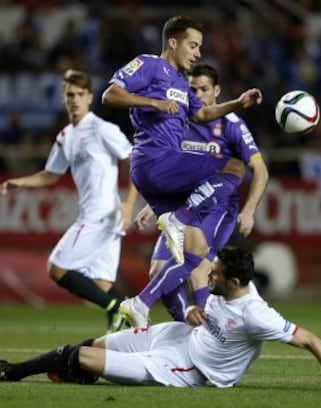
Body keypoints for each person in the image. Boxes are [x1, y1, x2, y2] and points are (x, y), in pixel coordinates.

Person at [0, 246, 321, 392]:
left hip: (186, 367)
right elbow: (193, 266)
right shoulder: (221, 290)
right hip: (179, 335)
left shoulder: (257, 315)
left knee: (80, 357)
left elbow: (310, 340)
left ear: (234, 282)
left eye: (215, 274)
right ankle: (27, 371)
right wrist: (186, 309)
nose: (208, 277)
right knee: (92, 345)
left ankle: (20, 372)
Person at [102, 16, 262, 325]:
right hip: (155, 160)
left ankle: (171, 317)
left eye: (200, 47)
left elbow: (202, 113)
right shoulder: (149, 65)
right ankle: (181, 217)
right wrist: (153, 103)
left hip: (162, 176)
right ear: (173, 43)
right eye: (193, 45)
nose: (198, 53)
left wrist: (238, 103)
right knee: (233, 165)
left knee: (195, 252)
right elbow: (110, 94)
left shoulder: (179, 81)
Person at [0, 69, 136, 333]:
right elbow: (51, 175)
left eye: (80, 94)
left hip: (101, 215)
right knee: (101, 284)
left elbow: (136, 162)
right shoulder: (66, 136)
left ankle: (112, 309)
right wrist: (20, 182)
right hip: (101, 218)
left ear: (90, 98)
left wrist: (129, 204)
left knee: (57, 267)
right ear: (63, 97)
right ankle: (136, 326)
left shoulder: (102, 129)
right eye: (70, 94)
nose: (75, 99)